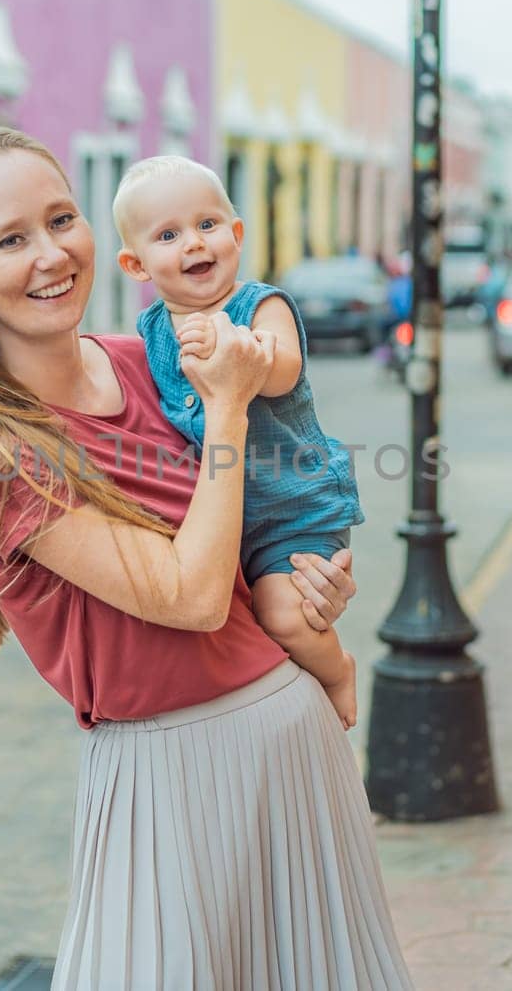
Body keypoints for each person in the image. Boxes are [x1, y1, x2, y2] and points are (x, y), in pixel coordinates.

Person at [0, 126, 414, 990]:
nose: (51, 255)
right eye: (9, 239)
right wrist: (227, 412)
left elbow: (257, 519)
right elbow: (187, 595)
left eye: (61, 219)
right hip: (164, 779)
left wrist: (310, 580)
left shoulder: (151, 362)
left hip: (293, 745)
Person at [114, 156, 363, 728]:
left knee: (286, 619)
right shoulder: (151, 331)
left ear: (237, 234)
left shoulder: (260, 305)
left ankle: (338, 671)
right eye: (168, 235)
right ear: (136, 264)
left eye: (208, 225)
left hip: (292, 508)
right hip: (216, 517)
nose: (194, 244)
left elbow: (282, 371)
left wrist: (235, 346)